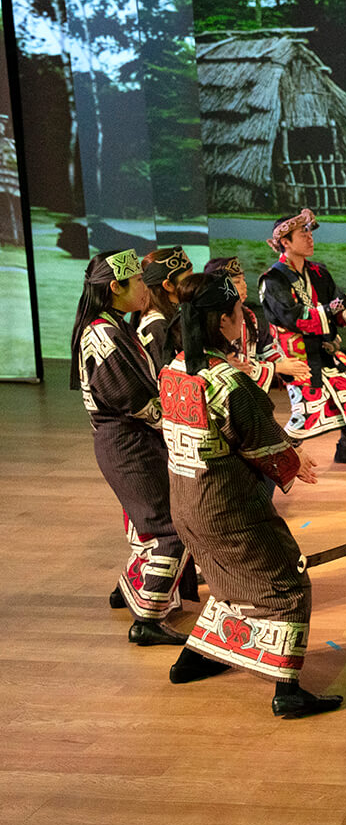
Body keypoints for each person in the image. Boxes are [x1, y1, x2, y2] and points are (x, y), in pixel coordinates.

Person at [157, 272, 341, 717]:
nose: (244, 318)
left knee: (227, 583)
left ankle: (195, 658)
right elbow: (262, 443)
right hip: (226, 509)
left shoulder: (173, 370)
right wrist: (294, 458)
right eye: (239, 311)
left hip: (185, 503)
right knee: (287, 585)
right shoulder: (228, 383)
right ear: (223, 320)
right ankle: (287, 691)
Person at [69, 250, 189, 646]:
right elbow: (134, 399)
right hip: (127, 443)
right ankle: (148, 620)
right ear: (115, 287)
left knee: (152, 523)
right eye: (137, 280)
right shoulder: (103, 334)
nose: (144, 286)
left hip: (130, 440)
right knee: (170, 529)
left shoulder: (111, 326)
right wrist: (184, 420)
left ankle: (130, 590)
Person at [257, 209, 346, 464]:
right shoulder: (272, 279)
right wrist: (341, 303)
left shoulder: (319, 272)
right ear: (285, 242)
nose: (310, 238)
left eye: (310, 232)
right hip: (296, 356)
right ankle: (278, 458)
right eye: (303, 233)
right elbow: (295, 318)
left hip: (326, 351)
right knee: (307, 412)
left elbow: (337, 312)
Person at [203, 255, 310, 392]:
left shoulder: (249, 316)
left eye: (243, 280)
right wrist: (278, 367)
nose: (244, 285)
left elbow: (266, 345)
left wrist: (285, 364)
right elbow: (233, 363)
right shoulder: (211, 319)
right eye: (237, 281)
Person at [138, 246, 193, 375]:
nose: (194, 280)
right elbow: (168, 377)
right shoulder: (156, 325)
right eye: (189, 275)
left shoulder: (173, 314)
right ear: (168, 285)